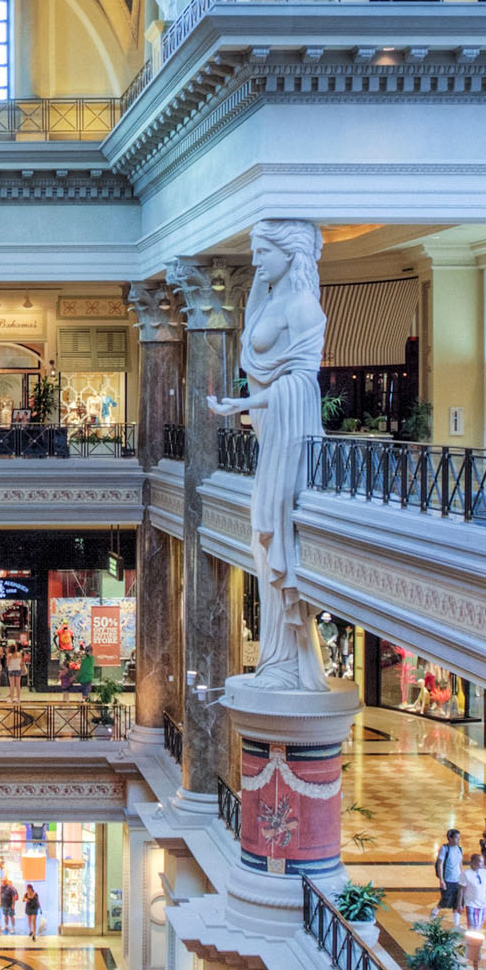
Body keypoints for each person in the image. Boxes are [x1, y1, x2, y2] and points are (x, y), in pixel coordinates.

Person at [205, 218, 334, 692]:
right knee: (263, 548)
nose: (255, 260)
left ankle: (290, 666)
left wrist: (246, 402)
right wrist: (244, 403)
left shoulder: (301, 305)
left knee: (274, 537)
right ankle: (278, 661)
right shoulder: (274, 297)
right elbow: (265, 364)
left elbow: (300, 383)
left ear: (290, 254)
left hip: (288, 437)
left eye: (263, 252)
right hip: (269, 435)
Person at [459, 851, 486, 933]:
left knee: (478, 927)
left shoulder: (484, 872)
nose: (483, 863)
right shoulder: (466, 874)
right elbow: (461, 890)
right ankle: (470, 943)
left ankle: (473, 943)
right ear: (473, 862)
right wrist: (460, 904)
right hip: (471, 904)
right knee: (472, 927)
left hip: (483, 904)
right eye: (481, 861)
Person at [434, 829, 464, 915]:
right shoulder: (444, 849)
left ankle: (456, 924)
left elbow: (460, 864)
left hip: (458, 880)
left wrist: (462, 877)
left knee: (457, 902)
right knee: (445, 900)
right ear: (450, 838)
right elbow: (440, 864)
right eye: (456, 838)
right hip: (448, 880)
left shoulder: (459, 849)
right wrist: (441, 880)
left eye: (459, 838)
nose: (458, 840)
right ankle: (435, 911)